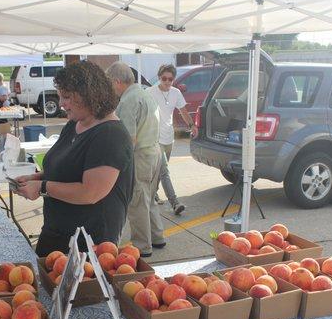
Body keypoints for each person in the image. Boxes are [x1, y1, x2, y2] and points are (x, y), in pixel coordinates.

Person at [12, 61, 134, 256]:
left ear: (90, 95)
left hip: (89, 241)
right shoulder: (74, 124)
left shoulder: (110, 135)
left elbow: (90, 192)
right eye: (60, 96)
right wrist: (37, 178)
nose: (61, 103)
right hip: (58, 231)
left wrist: (42, 187)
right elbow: (69, 167)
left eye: (67, 97)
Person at [106, 62, 164, 258]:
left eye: (110, 84)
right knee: (149, 197)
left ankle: (141, 245)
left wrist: (119, 163)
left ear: (117, 81)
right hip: (155, 151)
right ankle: (157, 237)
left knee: (137, 200)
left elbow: (128, 138)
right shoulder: (147, 94)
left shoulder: (129, 100)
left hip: (140, 155)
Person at [146, 64, 197, 216]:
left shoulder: (175, 93)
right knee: (164, 171)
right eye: (164, 78)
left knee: (160, 171)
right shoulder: (149, 92)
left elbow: (183, 111)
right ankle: (175, 203)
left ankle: (152, 193)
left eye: (170, 79)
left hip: (169, 137)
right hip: (155, 138)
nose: (167, 82)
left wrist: (192, 125)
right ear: (159, 77)